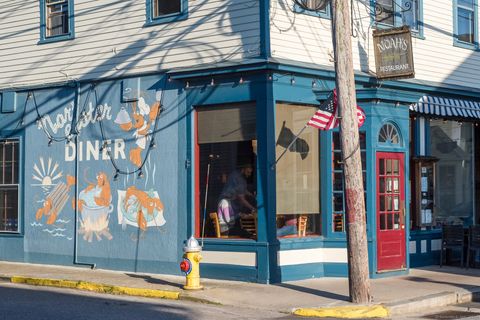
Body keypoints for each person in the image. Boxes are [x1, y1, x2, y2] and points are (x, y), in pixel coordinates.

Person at [217, 163, 256, 237]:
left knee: (243, 231)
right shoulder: (225, 203)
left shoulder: (235, 175)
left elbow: (242, 190)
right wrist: (250, 210)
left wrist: (250, 195)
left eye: (250, 173)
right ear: (243, 169)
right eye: (248, 172)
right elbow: (229, 220)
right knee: (246, 234)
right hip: (226, 230)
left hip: (228, 227)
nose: (249, 174)